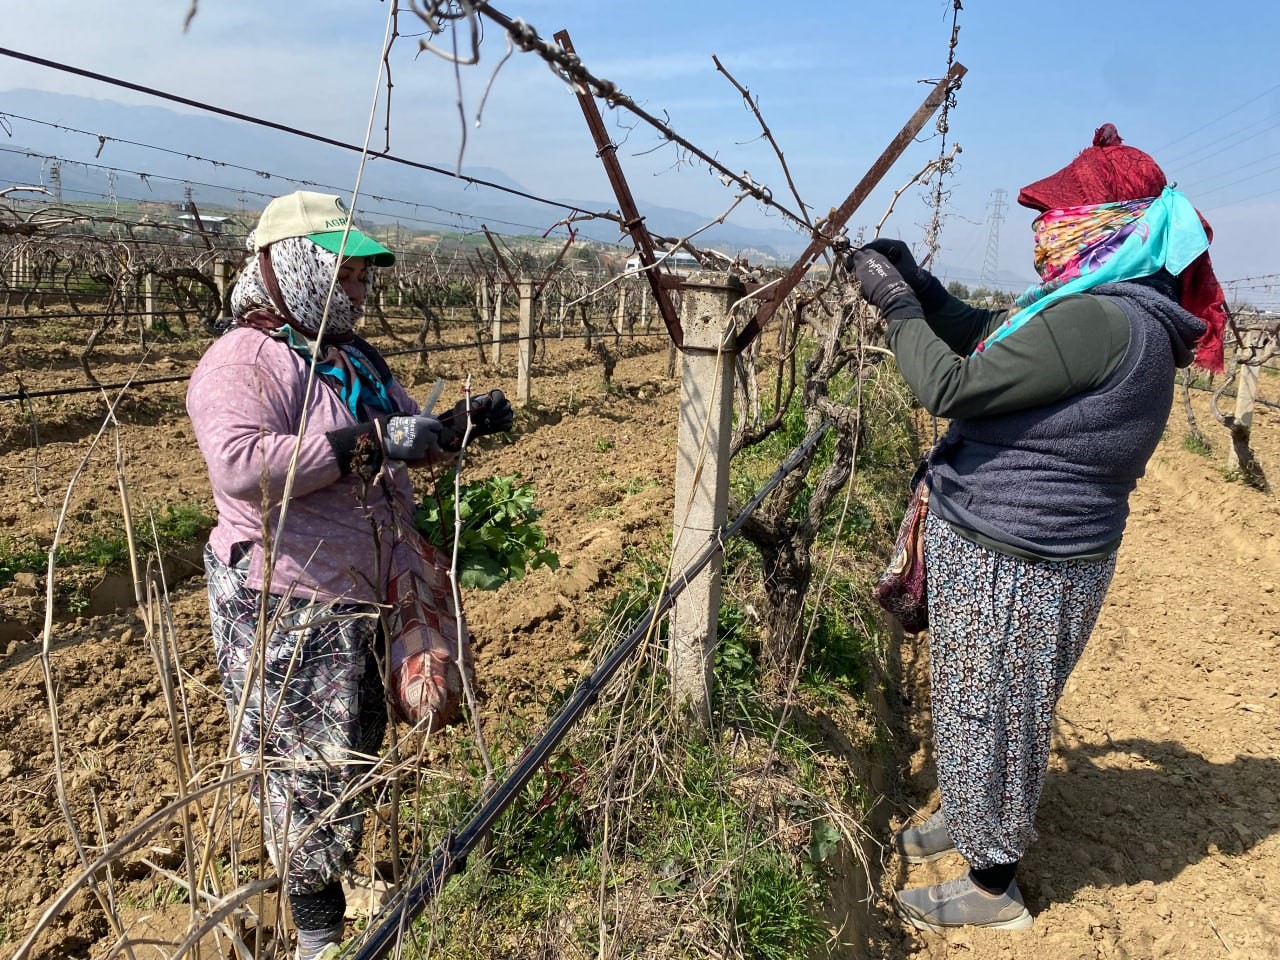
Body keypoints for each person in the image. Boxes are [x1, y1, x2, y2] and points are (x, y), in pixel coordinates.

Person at [849, 125, 1227, 933]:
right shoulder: (1105, 309)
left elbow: (951, 383)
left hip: (1021, 558)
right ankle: (975, 817)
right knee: (978, 702)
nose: (1040, 231)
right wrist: (927, 289)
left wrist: (896, 305)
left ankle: (994, 884)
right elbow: (992, 339)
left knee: (996, 710)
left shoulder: (1104, 320)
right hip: (1016, 549)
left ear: (1108, 224)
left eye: (1055, 215)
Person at [186, 191, 512, 959]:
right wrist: (361, 444)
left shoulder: (349, 358)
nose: (361, 292)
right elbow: (239, 466)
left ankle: (331, 903)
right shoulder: (243, 359)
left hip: (361, 588)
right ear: (295, 266)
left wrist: (453, 427)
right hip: (287, 598)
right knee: (301, 767)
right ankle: (319, 937)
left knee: (352, 746)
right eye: (349, 275)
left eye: (365, 277)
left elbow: (403, 433)